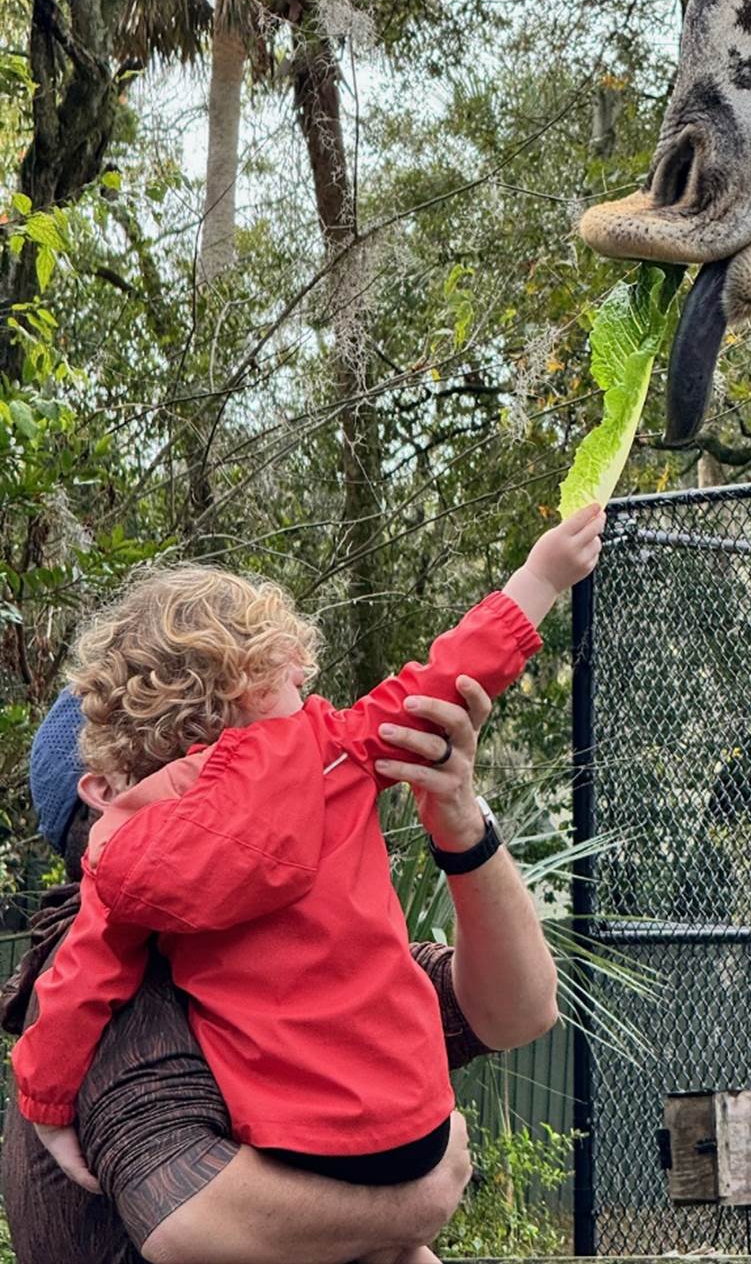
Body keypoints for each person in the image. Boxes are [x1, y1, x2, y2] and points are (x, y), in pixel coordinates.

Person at [12, 503, 602, 1241]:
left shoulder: (128, 899)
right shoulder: (325, 763)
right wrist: (417, 1205)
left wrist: (462, 826)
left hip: (292, 1138)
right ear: (101, 791)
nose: (306, 691)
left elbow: (515, 1010)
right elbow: (189, 1226)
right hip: (396, 1150)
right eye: (287, 677)